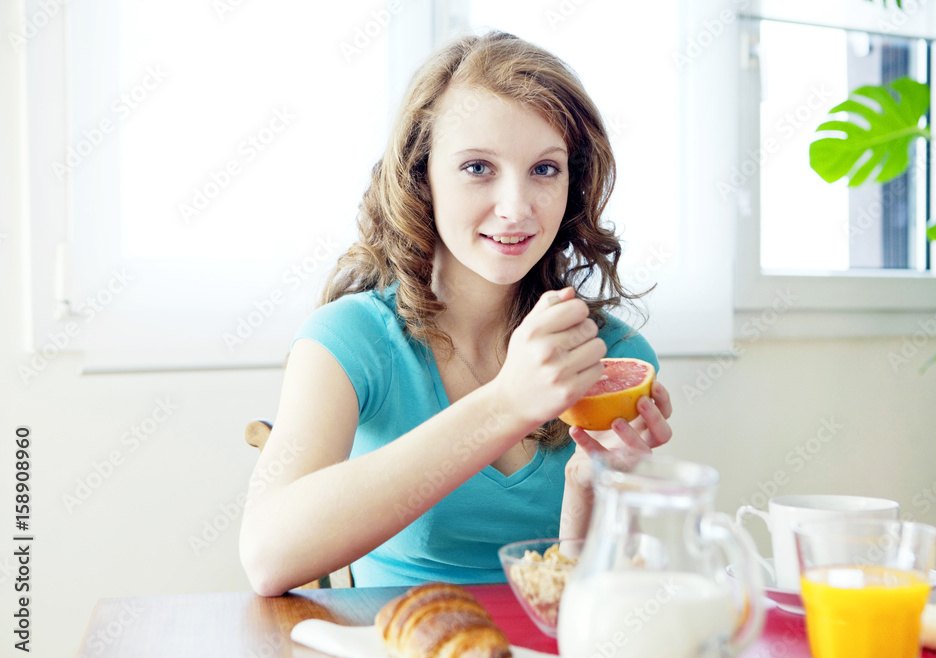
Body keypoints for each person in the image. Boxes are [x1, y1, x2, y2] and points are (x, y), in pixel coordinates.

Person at [239, 30, 673, 596]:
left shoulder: (611, 355)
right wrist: (506, 404)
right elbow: (267, 556)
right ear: (422, 178)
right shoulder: (348, 339)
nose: (517, 208)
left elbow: (599, 602)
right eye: (477, 168)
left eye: (545, 169)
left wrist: (588, 494)